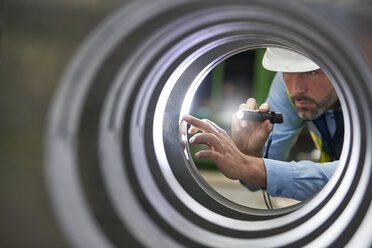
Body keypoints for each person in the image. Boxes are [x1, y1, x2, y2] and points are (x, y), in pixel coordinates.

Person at [183, 47, 343, 201]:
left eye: (311, 72)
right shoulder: (287, 86)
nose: (296, 89)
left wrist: (251, 166)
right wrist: (250, 153)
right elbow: (257, 180)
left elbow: (361, 176)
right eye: (287, 72)